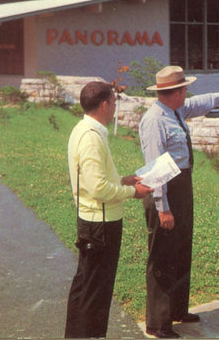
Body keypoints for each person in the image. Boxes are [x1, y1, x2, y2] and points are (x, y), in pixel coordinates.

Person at [139, 66, 219, 339]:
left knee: (181, 250)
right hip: (165, 189)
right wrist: (163, 208)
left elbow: (198, 103)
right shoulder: (154, 120)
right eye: (185, 89)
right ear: (176, 92)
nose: (188, 94)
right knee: (162, 256)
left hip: (182, 186)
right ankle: (158, 323)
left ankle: (177, 309)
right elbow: (155, 169)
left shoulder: (175, 111)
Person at [65, 81, 153, 338]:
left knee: (84, 288)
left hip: (93, 221)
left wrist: (123, 180)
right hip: (101, 225)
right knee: (96, 294)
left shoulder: (83, 130)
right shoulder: (92, 138)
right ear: (104, 105)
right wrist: (132, 192)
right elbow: (98, 189)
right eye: (114, 102)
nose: (114, 107)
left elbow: (97, 178)